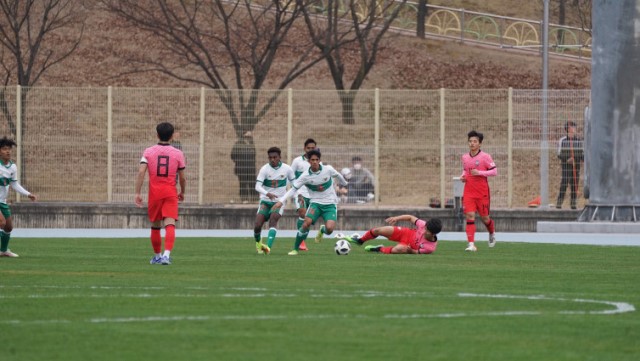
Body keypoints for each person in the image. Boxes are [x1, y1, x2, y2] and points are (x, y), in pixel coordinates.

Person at [273, 149, 348, 255]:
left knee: (330, 229)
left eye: (316, 160)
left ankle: (322, 230)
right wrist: (281, 201)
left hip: (330, 204)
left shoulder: (328, 169)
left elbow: (337, 175)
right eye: (312, 160)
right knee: (305, 224)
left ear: (319, 160)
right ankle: (295, 249)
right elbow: (293, 189)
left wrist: (344, 183)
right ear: (309, 161)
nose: (314, 162)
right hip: (315, 204)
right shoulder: (305, 176)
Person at [135, 122, 186, 265]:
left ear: (157, 135)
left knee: (156, 225)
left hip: (155, 193)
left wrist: (137, 193)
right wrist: (182, 191)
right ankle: (166, 255)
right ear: (171, 136)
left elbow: (141, 172)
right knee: (170, 223)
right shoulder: (178, 153)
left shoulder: (148, 151)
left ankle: (157, 256)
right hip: (170, 192)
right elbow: (182, 177)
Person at [253, 146, 295, 254]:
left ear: (279, 157)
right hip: (265, 201)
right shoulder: (264, 169)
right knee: (257, 226)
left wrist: (292, 197)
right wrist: (267, 193)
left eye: (275, 157)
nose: (272, 159)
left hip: (278, 202)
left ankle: (268, 247)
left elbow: (295, 185)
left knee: (273, 220)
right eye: (270, 157)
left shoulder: (287, 169)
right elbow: (257, 186)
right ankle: (258, 244)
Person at [0, 137, 37, 257]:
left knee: (8, 227)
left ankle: (3, 250)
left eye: (9, 149)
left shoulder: (12, 167)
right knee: (1, 222)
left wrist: (28, 194)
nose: (8, 151)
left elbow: (14, 184)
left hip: (2, 201)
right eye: (4, 149)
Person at [460, 130, 497, 252]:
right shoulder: (465, 157)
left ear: (480, 144)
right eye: (470, 141)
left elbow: (494, 171)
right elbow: (466, 170)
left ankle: (491, 233)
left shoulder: (485, 157)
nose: (472, 143)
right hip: (469, 192)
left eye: (475, 141)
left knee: (485, 218)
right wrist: (463, 176)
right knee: (470, 216)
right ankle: (471, 244)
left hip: (482, 193)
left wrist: (480, 172)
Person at [341, 215, 443, 254]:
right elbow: (410, 217)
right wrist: (396, 218)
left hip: (407, 246)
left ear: (433, 234)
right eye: (425, 228)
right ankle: (360, 240)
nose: (424, 230)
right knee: (378, 230)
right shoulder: (424, 225)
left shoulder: (430, 247)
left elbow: (417, 252)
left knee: (398, 250)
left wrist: (410, 250)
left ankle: (379, 249)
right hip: (405, 233)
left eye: (427, 231)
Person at [289, 138, 318, 251]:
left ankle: (302, 238)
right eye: (308, 148)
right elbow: (290, 176)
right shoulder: (297, 161)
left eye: (313, 148)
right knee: (302, 213)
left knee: (308, 219)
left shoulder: (316, 162)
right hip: (300, 193)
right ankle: (301, 242)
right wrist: (295, 190)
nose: (311, 150)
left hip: (313, 195)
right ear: (304, 148)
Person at [556, 121, 583, 210]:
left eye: (574, 127)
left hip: (576, 167)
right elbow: (559, 154)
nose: (574, 129)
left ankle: (573, 204)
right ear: (568, 129)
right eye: (572, 127)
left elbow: (581, 154)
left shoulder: (578, 141)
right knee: (564, 184)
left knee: (574, 185)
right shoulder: (562, 141)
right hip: (566, 167)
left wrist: (578, 159)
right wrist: (567, 159)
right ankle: (559, 203)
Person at [231, 131, 257, 203]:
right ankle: (244, 199)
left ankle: (254, 199)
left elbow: (254, 154)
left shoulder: (251, 144)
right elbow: (232, 155)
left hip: (251, 167)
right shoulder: (238, 144)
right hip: (241, 167)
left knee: (252, 182)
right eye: (247, 135)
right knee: (243, 183)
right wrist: (239, 161)